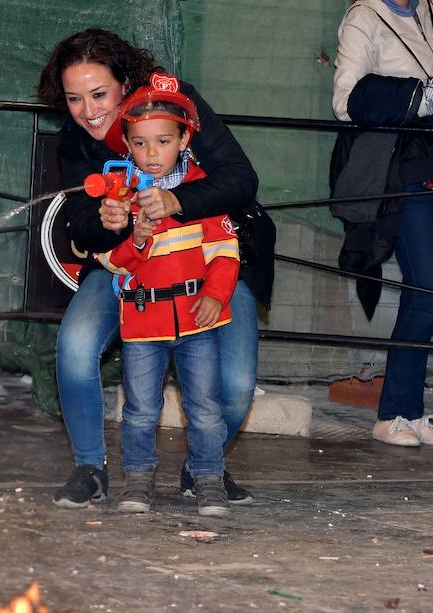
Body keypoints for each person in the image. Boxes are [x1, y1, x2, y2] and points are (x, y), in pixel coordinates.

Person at [36, 28, 274, 508]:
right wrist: (109, 224)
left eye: (99, 93)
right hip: (128, 268)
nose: (89, 111)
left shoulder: (175, 102)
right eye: (74, 99)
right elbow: (82, 229)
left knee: (234, 386)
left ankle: (203, 468)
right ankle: (90, 467)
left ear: (125, 83)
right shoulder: (76, 141)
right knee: (76, 345)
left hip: (207, 259)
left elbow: (240, 180)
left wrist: (175, 201)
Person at [96, 76, 240, 516]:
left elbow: (226, 252)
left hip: (198, 321)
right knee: (139, 410)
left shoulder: (202, 192)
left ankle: (208, 477)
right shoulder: (121, 196)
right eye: (139, 143)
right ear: (127, 146)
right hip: (143, 323)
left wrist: (216, 294)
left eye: (162, 141)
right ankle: (137, 480)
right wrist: (135, 240)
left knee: (206, 409)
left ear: (184, 139)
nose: (151, 153)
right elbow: (113, 263)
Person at [332, 0, 433, 447]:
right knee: (429, 292)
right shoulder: (364, 17)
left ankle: (409, 412)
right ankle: (395, 412)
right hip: (404, 174)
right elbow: (344, 102)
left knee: (429, 295)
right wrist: (425, 96)